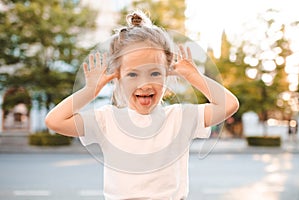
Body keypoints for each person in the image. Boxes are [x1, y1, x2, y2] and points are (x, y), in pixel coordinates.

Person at [45, 10, 239, 200]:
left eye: (155, 73)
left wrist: (194, 76)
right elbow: (54, 121)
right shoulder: (107, 119)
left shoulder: (180, 117)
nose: (144, 84)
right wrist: (89, 91)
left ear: (167, 75)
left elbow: (229, 104)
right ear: (117, 77)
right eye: (132, 74)